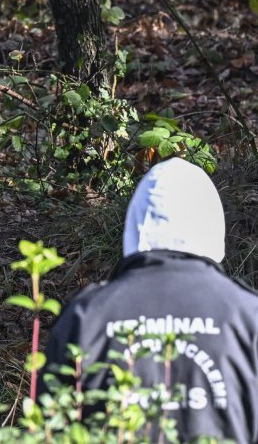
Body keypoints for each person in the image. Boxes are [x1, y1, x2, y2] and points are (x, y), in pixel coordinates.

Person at [43, 157, 258, 442]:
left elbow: (48, 427)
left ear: (134, 225)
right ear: (212, 226)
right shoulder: (248, 314)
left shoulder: (86, 315)